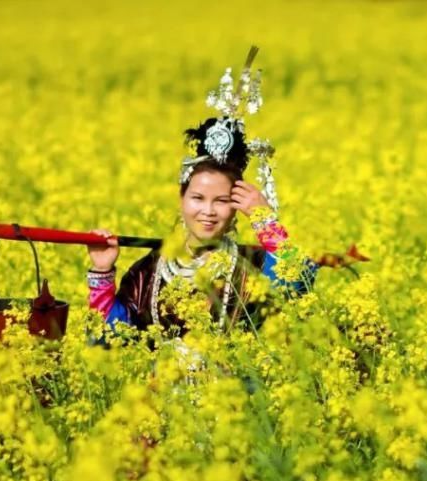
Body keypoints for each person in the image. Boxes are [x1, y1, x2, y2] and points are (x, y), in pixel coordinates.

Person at [86, 50, 312, 336]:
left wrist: (265, 219)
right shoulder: (149, 271)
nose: (208, 211)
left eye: (222, 201)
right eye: (198, 198)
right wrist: (102, 272)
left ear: (237, 207)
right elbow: (107, 339)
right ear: (182, 200)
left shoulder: (250, 266)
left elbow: (296, 282)